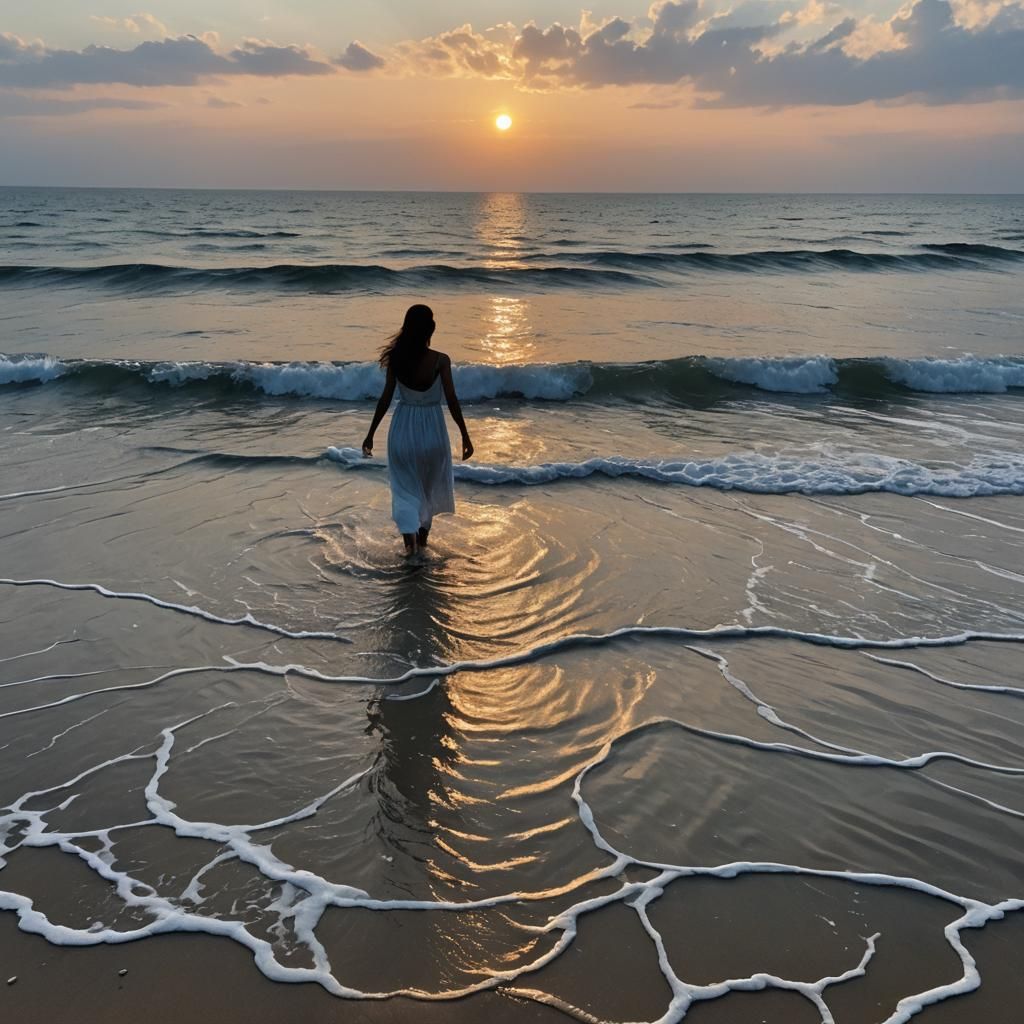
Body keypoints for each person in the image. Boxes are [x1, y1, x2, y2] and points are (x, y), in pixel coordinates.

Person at [362, 304, 474, 555]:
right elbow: (452, 401)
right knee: (427, 489)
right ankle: (422, 545)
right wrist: (465, 435)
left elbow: (385, 399)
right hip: (433, 430)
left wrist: (370, 435)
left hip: (403, 429)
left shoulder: (396, 359)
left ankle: (409, 546)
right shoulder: (440, 361)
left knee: (404, 491)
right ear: (430, 329)